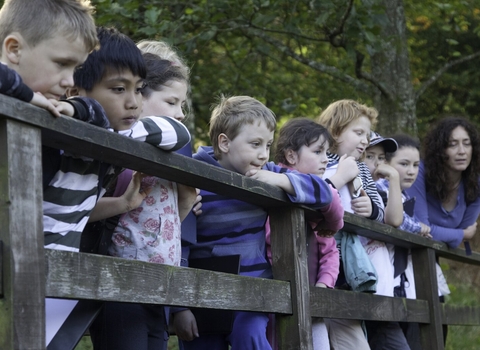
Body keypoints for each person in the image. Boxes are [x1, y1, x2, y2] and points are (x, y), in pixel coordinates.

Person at [43, 27, 191, 345]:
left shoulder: (119, 138)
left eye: (138, 91)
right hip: (38, 258)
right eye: (120, 89)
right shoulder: (65, 132)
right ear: (75, 88)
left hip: (66, 265)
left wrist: (123, 204)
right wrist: (78, 110)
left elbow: (179, 134)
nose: (133, 103)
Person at [174, 96, 337, 350]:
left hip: (254, 291)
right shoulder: (193, 172)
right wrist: (179, 307)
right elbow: (178, 244)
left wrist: (280, 181)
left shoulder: (268, 171)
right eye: (255, 144)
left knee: (249, 337)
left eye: (268, 145)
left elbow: (323, 192)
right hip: (203, 293)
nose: (263, 154)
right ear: (225, 143)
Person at [86, 50, 197, 350]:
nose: (181, 112)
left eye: (182, 104)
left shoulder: (168, 156)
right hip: (122, 283)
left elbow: (171, 218)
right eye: (172, 102)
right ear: (140, 97)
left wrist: (187, 198)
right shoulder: (121, 141)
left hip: (160, 288)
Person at [265, 118, 344, 349]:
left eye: (326, 152)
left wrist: (324, 284)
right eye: (318, 151)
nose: (325, 158)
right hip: (274, 290)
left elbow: (331, 246)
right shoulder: (270, 178)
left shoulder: (319, 193)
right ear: (291, 156)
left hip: (311, 295)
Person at [317, 99, 387, 350]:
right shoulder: (320, 160)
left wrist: (371, 211)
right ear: (335, 131)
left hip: (349, 258)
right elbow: (312, 193)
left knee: (353, 335)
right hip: (319, 253)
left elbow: (381, 209)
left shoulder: (363, 169)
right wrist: (339, 177)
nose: (365, 141)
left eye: (366, 135)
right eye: (358, 133)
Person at [405, 116, 480, 345]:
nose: (461, 151)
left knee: (439, 330)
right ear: (440, 149)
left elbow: (463, 230)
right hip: (403, 257)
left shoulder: (475, 183)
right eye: (452, 144)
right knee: (412, 330)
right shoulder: (421, 172)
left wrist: (457, 235)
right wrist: (461, 235)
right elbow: (421, 229)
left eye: (466, 143)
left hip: (431, 262)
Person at [364, 133, 430, 350]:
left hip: (398, 286)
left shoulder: (403, 196)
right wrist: (418, 228)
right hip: (378, 284)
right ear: (386, 164)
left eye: (416, 165)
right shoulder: (380, 187)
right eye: (404, 164)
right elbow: (397, 221)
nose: (411, 171)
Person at [0, 0, 98, 116]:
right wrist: (27, 95)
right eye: (61, 63)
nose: (70, 82)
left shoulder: (55, 105)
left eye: (75, 68)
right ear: (15, 50)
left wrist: (72, 107)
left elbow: (98, 113)